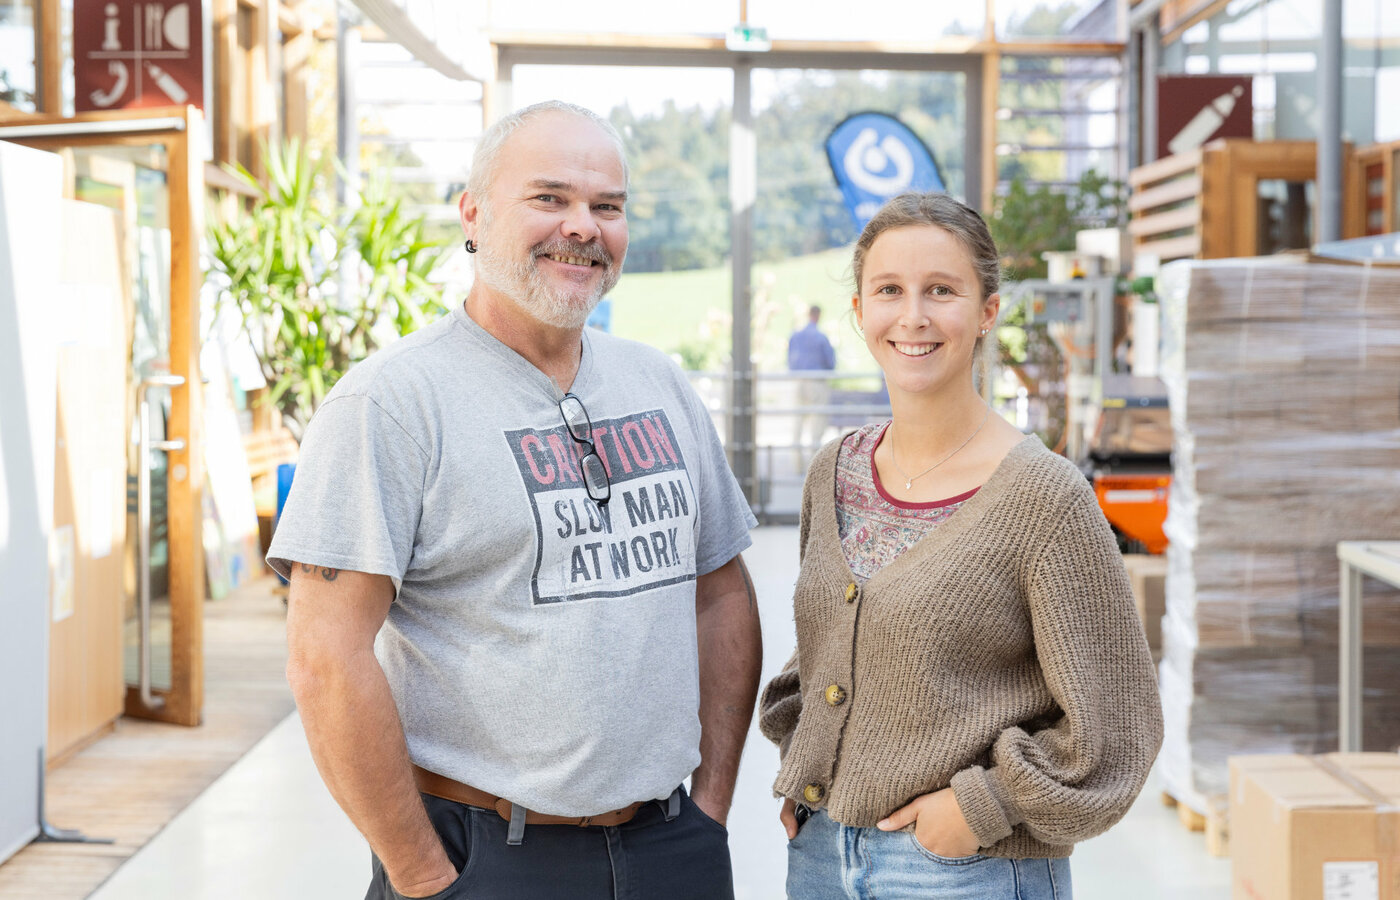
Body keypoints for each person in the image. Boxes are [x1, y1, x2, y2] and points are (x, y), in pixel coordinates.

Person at [272, 100, 762, 900]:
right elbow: (325, 657)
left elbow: (721, 591)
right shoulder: (392, 403)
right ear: (473, 213)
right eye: (550, 198)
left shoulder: (660, 383)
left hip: (673, 850)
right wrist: (425, 876)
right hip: (485, 857)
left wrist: (707, 811)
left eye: (608, 207)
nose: (583, 226)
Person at [758, 192, 1162, 899]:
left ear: (986, 312)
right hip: (821, 856)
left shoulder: (1045, 498)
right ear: (860, 312)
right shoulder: (834, 472)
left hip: (962, 869)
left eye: (940, 291)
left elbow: (1119, 726)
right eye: (890, 291)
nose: (912, 316)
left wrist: (982, 808)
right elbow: (825, 650)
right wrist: (806, 762)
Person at [787, 304, 837, 469]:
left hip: (799, 380)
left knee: (798, 422)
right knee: (817, 422)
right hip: (817, 381)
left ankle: (796, 464)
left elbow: (790, 360)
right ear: (818, 315)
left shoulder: (796, 336)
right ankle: (814, 464)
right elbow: (830, 362)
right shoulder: (821, 337)